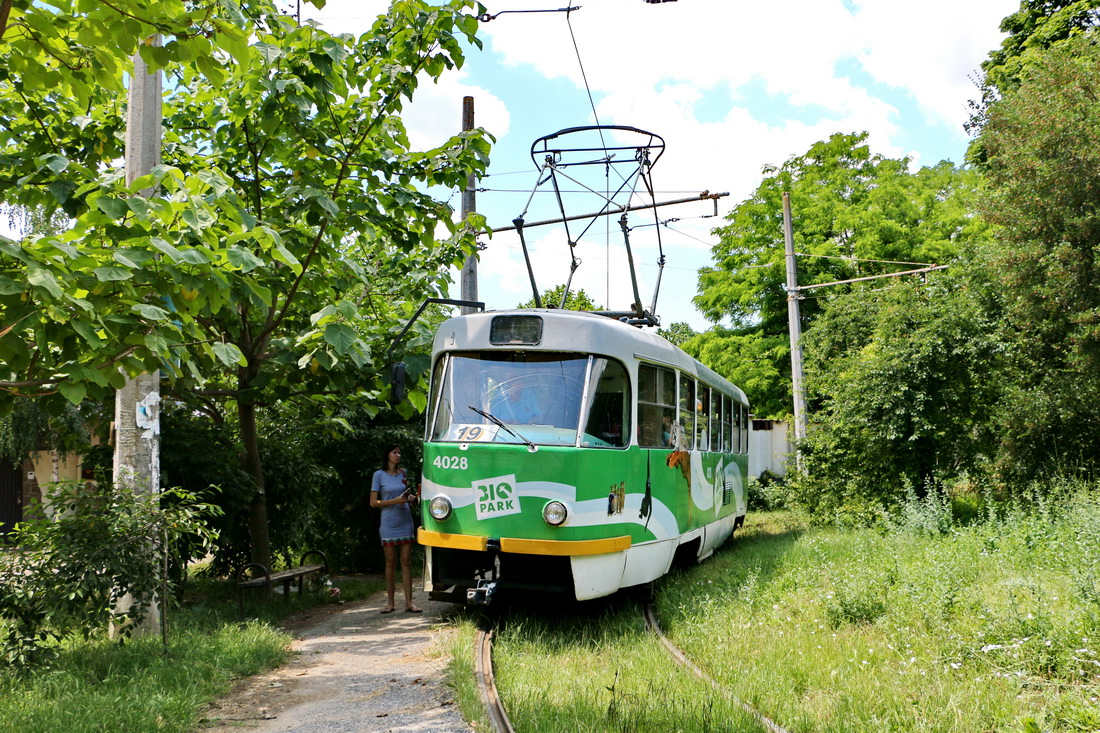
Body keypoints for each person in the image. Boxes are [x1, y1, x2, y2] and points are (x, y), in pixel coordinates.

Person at [370, 444, 422, 614]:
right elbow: (373, 503)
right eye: (394, 452)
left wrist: (413, 498)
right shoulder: (378, 475)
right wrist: (394, 501)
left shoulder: (403, 473)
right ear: (387, 455)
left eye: (399, 452)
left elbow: (407, 495)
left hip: (404, 520)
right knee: (390, 562)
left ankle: (409, 603)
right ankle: (390, 603)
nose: (398, 455)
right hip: (388, 523)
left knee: (406, 561)